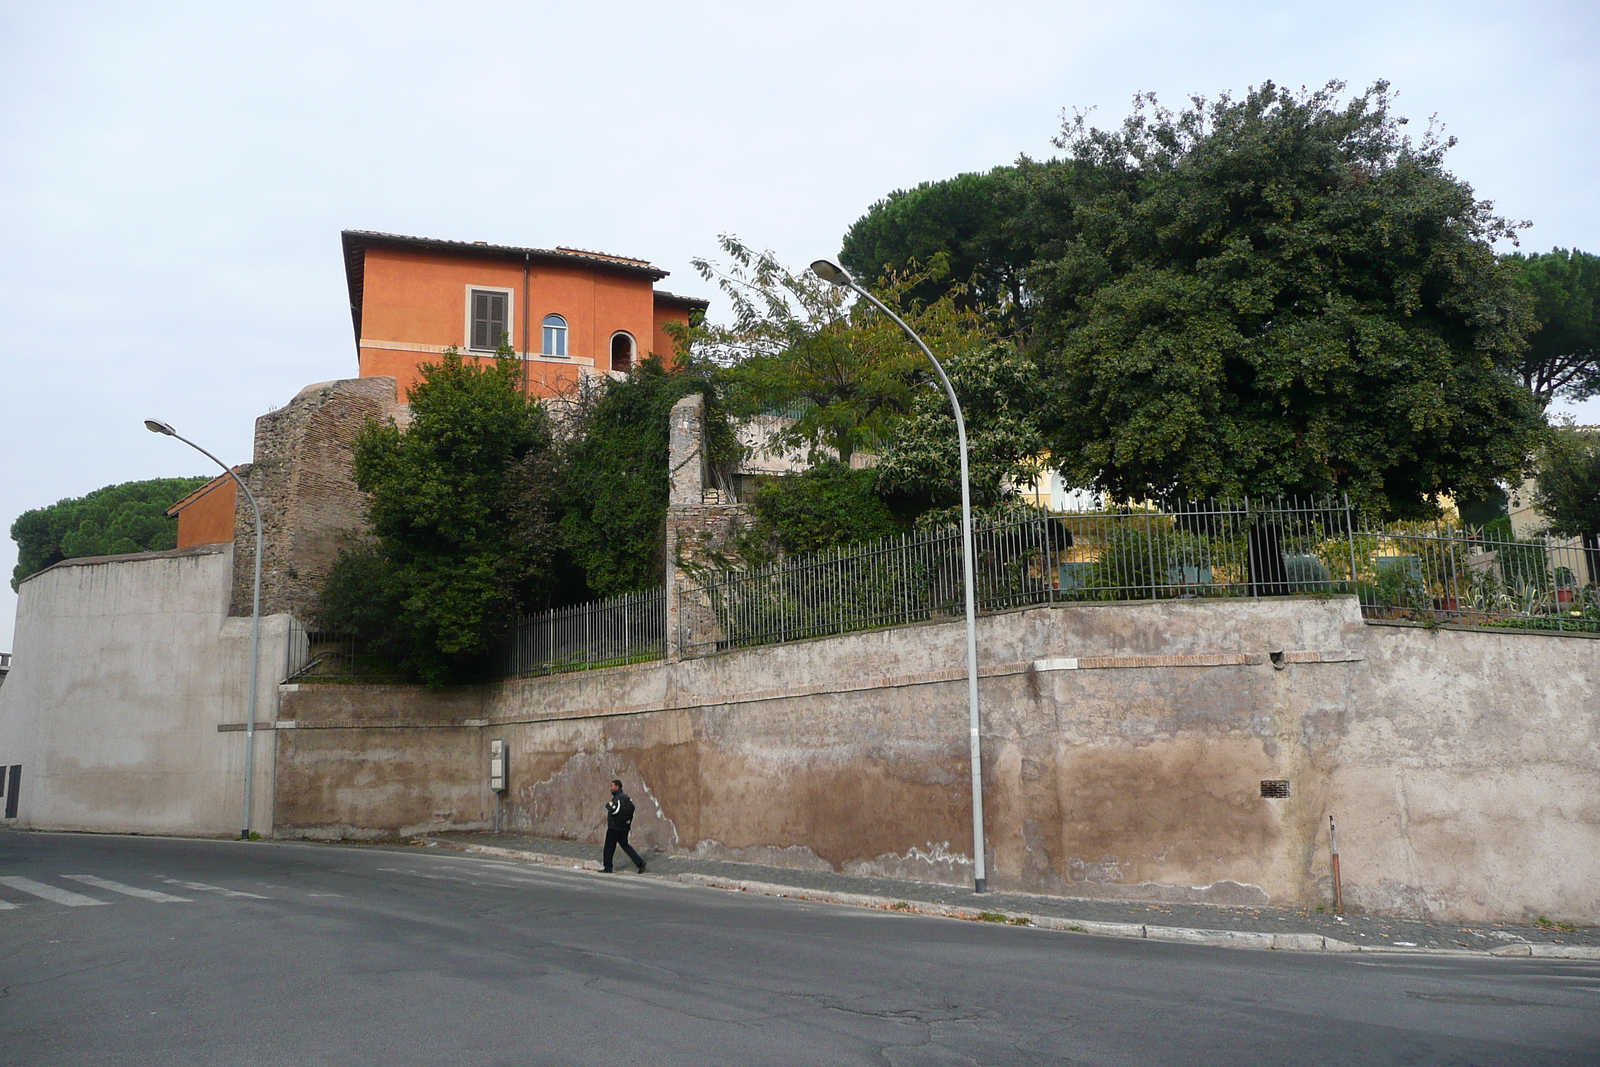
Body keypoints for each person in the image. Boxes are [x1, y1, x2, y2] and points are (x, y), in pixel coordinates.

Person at [602, 779, 646, 873]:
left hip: (614, 827)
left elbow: (614, 810)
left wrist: (608, 805)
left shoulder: (618, 798)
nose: (610, 788)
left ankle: (608, 867)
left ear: (617, 787)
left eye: (612, 786)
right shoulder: (627, 798)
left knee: (609, 847)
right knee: (625, 845)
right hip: (624, 827)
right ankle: (640, 863)